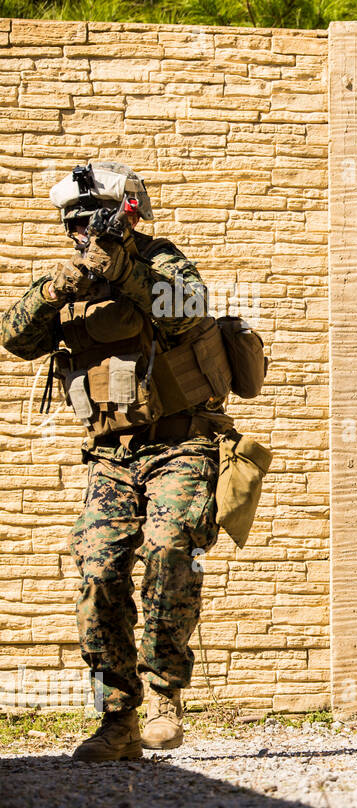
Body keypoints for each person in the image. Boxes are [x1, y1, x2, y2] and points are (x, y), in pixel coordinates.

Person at [1, 161, 238, 760]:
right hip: (110, 455)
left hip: (180, 442)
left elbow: (188, 310)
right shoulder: (70, 277)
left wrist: (124, 268)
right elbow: (14, 337)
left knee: (169, 547)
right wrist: (59, 287)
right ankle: (118, 719)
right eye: (75, 225)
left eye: (96, 222)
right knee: (99, 572)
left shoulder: (161, 261)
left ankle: (164, 693)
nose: (85, 234)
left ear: (128, 217)